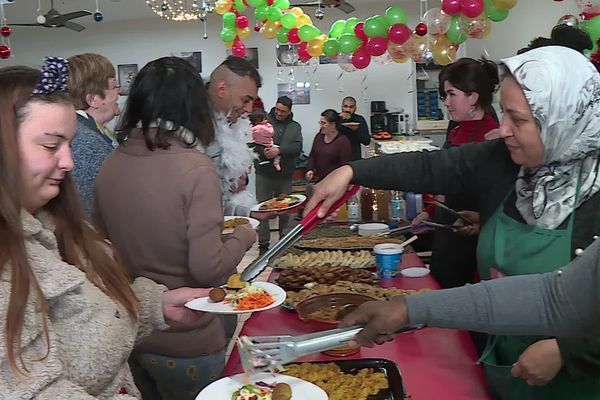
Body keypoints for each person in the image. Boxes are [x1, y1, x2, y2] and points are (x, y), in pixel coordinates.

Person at [305, 46, 600, 399]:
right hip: (505, 358)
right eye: (504, 113)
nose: (502, 129)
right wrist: (352, 170)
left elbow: (560, 301)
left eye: (518, 119)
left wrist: (571, 351)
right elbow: (431, 168)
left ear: (563, 120)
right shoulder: (506, 161)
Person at [0, 58, 210, 398]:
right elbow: (34, 389)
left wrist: (154, 305)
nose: (68, 162)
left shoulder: (57, 225)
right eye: (51, 146)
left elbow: (80, 321)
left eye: (69, 144)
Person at [93, 57, 257, 399]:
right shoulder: (194, 166)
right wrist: (244, 235)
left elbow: (101, 247)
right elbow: (207, 266)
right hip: (187, 335)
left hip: (133, 330)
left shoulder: (112, 161)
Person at [412, 58, 500, 289]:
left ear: (472, 97)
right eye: (445, 96)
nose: (447, 103)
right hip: (446, 234)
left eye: (451, 94)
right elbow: (446, 184)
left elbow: (502, 200)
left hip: (474, 243)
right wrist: (431, 212)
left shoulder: (494, 138)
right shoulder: (457, 132)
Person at [204, 56, 262, 217]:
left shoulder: (230, 120)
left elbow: (225, 197)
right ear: (222, 89)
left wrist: (250, 213)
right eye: (245, 100)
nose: (249, 109)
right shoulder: (189, 124)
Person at [67, 53, 121, 217]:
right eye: (114, 86)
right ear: (93, 99)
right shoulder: (84, 142)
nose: (120, 91)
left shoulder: (88, 130)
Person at [254, 96, 303, 254]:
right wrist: (265, 152)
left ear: (289, 111)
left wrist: (279, 150)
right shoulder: (263, 121)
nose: (279, 113)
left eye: (283, 111)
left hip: (285, 174)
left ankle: (283, 241)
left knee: (285, 209)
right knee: (262, 209)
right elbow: (252, 143)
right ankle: (263, 245)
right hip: (264, 173)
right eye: (277, 109)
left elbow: (297, 148)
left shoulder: (295, 127)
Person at [305, 109, 352, 182]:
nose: (321, 126)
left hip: (335, 181)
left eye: (323, 123)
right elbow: (312, 155)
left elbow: (345, 166)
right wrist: (310, 169)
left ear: (333, 125)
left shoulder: (343, 141)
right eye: (320, 122)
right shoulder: (319, 136)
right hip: (319, 179)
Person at [338, 96, 370, 161]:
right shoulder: (336, 118)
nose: (348, 110)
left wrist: (356, 130)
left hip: (354, 158)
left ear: (355, 108)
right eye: (345, 106)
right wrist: (340, 120)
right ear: (342, 107)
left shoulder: (359, 119)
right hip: (337, 157)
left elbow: (366, 141)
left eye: (351, 107)